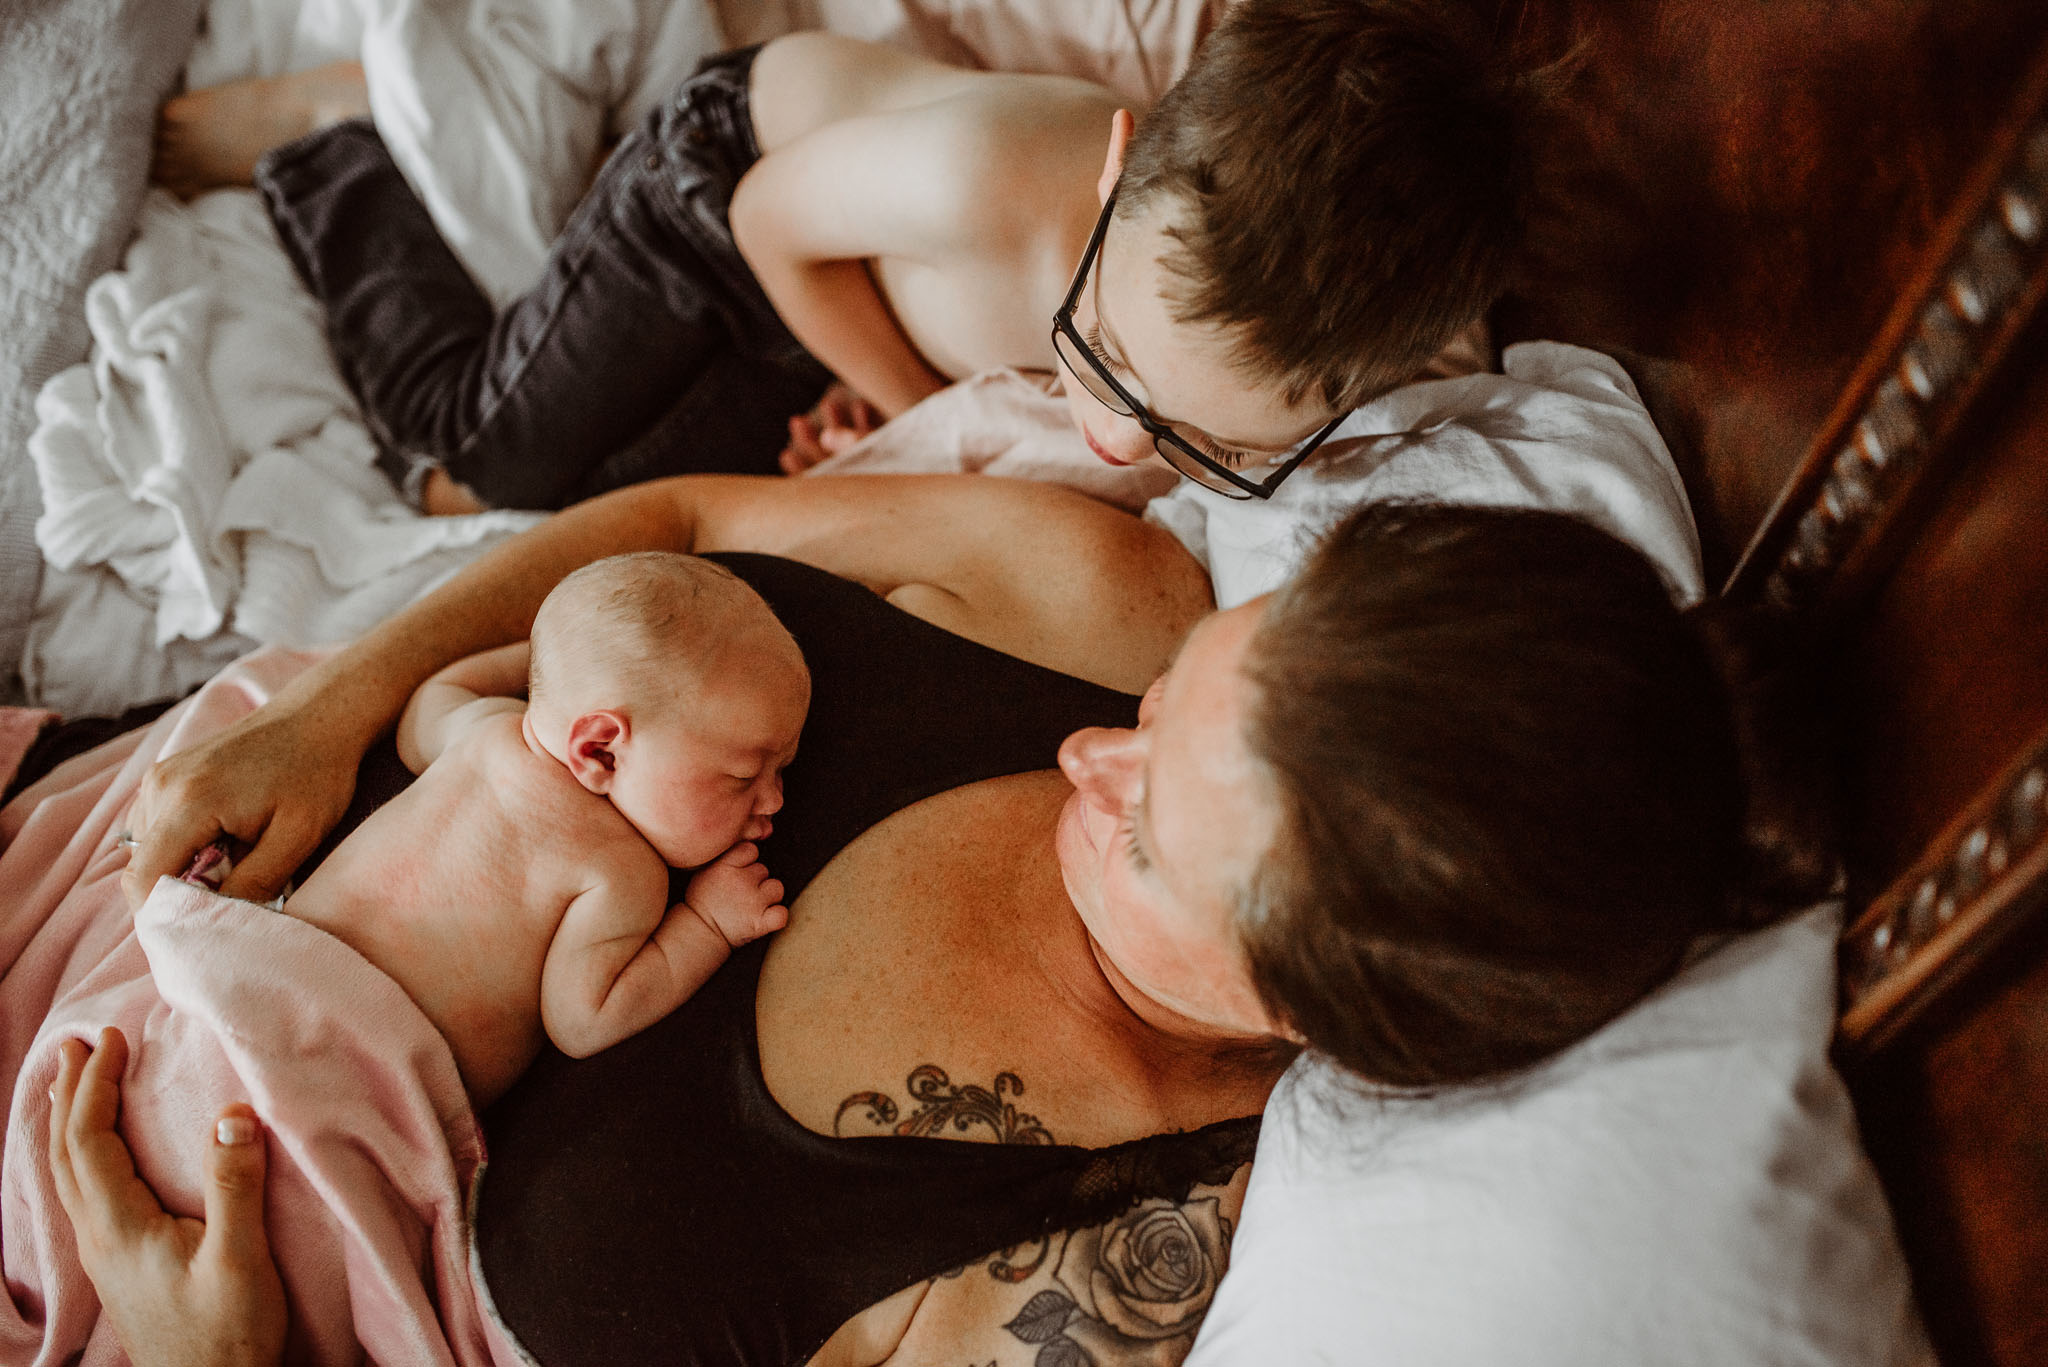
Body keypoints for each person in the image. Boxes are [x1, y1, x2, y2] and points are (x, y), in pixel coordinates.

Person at [50, 500, 1757, 1364]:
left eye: (1147, 826)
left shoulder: (1060, 1287)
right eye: (1167, 700)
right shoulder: (1095, 600)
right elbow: (675, 535)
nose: (1089, 749)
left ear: (1321, 1021)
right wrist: (343, 708)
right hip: (135, 845)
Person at [150, 0, 1527, 510]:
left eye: (1186, 435)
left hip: (851, 285)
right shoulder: (986, 170)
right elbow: (766, 228)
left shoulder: (1348, 345)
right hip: (726, 204)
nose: (1113, 435)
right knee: (477, 462)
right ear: (1117, 167)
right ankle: (336, 153)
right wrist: (911, 406)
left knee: (587, 508)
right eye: (1101, 356)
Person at [280, 551, 807, 1104]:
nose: (773, 799)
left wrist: (543, 667)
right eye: (742, 776)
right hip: (356, 1077)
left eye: (783, 769)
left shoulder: (483, 729)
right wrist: (707, 925)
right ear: (602, 751)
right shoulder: (619, 869)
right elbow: (584, 1022)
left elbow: (426, 707)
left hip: (263, 969)